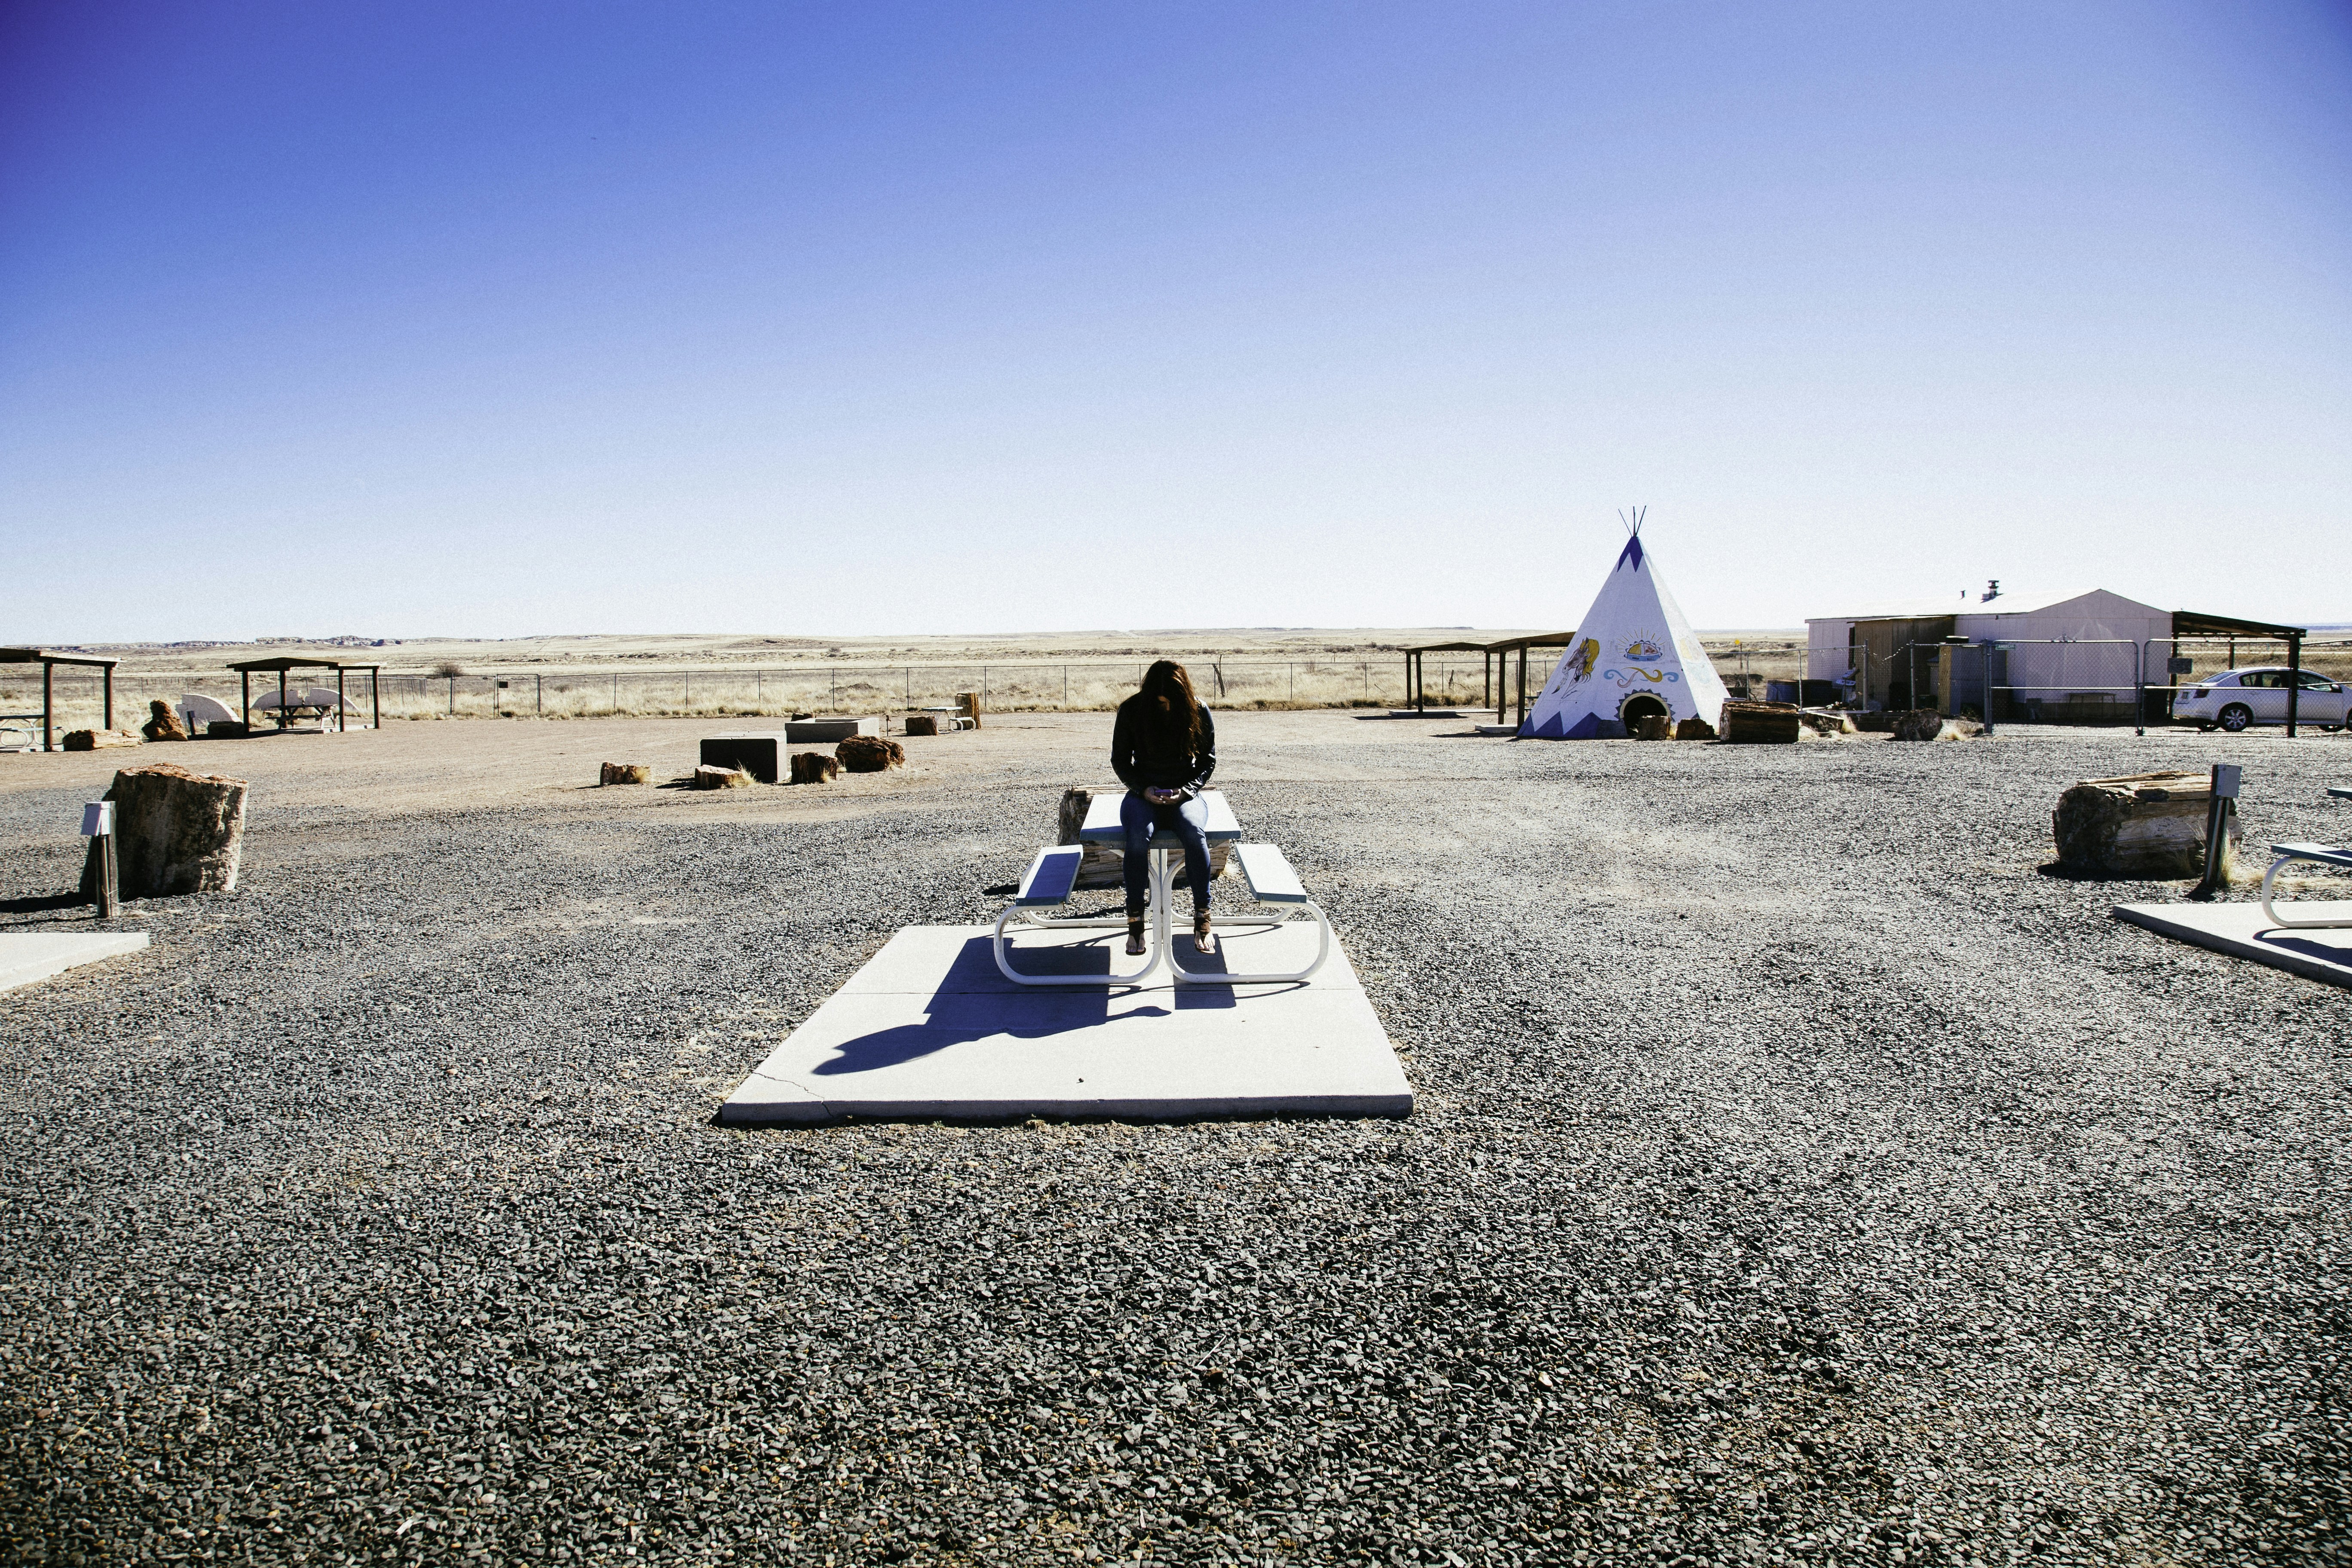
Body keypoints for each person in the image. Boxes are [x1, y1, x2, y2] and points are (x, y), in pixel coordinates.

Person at [1110, 660, 1219, 957]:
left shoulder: (1198, 709)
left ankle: (1202, 917)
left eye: (1171, 700)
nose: (1166, 705)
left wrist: (1187, 791)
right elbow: (1120, 760)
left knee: (1195, 834)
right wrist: (1142, 789)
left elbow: (1207, 760)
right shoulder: (1131, 710)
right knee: (1136, 837)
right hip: (1142, 795)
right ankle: (1135, 921)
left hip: (1184, 794)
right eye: (1160, 702)